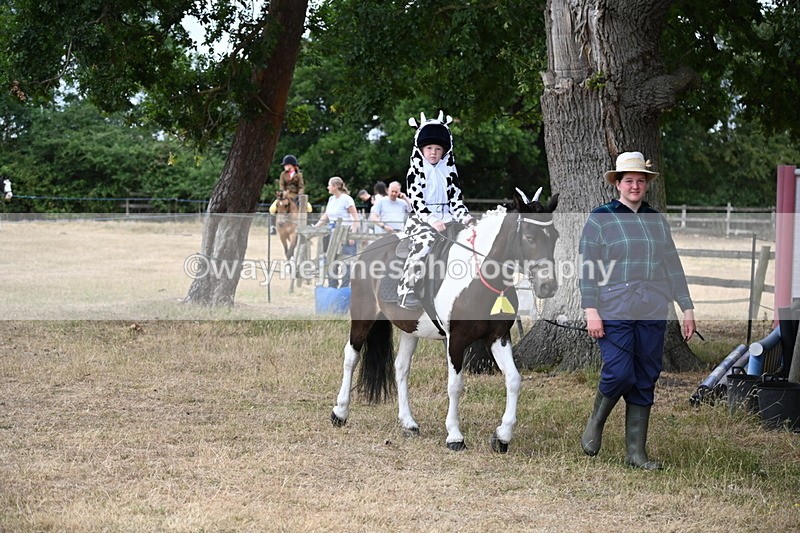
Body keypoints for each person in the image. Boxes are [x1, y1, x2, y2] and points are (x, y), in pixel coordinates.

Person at [578, 151, 697, 470]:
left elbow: (672, 264)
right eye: (628, 180)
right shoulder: (601, 217)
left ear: (647, 185)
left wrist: (686, 307)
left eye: (640, 181)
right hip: (613, 306)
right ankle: (596, 422)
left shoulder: (656, 220)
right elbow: (587, 268)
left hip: (652, 306)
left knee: (646, 376)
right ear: (617, 183)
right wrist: (590, 309)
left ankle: (636, 454)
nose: (634, 185)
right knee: (620, 372)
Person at [398, 112, 474, 309]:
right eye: (429, 148)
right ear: (421, 149)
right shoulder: (415, 170)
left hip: (448, 218)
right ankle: (407, 289)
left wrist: (465, 217)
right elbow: (416, 201)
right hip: (421, 219)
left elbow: (455, 199)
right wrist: (432, 221)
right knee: (424, 243)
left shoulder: (449, 170)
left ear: (444, 151)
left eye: (438, 149)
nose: (433, 152)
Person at [314, 177, 360, 287]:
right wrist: (316, 227)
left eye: (329, 185)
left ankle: (344, 287)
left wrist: (352, 235)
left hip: (345, 234)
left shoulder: (346, 199)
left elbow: (355, 218)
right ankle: (332, 286)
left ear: (335, 186)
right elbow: (326, 215)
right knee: (331, 261)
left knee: (346, 262)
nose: (328, 187)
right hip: (332, 234)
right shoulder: (331, 199)